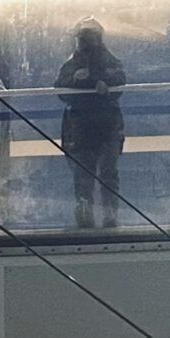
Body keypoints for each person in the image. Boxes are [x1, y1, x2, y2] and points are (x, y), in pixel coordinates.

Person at [55, 17, 127, 230]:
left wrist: (105, 82)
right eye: (84, 38)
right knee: (84, 175)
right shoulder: (72, 63)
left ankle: (110, 214)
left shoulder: (109, 61)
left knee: (107, 173)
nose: (87, 42)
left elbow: (120, 81)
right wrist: (76, 80)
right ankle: (85, 216)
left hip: (104, 125)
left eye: (90, 37)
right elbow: (60, 89)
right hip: (83, 127)